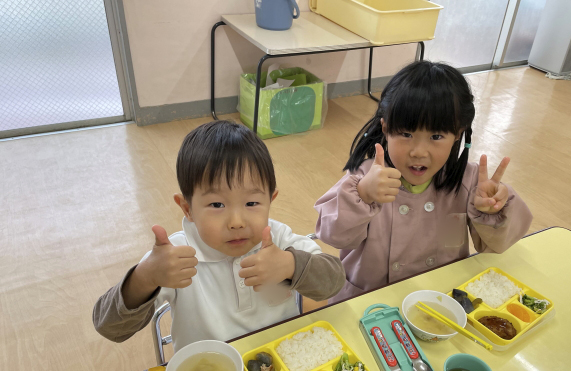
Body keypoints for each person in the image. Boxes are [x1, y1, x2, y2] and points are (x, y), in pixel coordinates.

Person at [94, 121, 345, 350]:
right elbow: (110, 328)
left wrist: (292, 265)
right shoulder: (175, 256)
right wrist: (145, 277)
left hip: (282, 368)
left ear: (271, 199)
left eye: (251, 203)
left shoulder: (277, 238)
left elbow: (334, 281)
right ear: (187, 208)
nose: (236, 222)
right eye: (216, 205)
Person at [314, 61, 532, 303]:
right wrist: (363, 195)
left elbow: (499, 245)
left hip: (440, 302)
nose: (418, 151)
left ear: (458, 133)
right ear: (385, 129)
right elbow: (333, 236)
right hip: (370, 302)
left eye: (436, 136)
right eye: (406, 134)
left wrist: (493, 210)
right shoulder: (365, 179)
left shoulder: (468, 181)